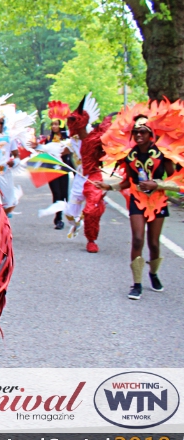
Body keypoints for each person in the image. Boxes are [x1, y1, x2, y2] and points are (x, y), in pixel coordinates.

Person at [94, 116, 178, 299]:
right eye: (136, 132)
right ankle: (137, 283)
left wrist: (157, 184)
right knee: (138, 239)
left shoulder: (163, 154)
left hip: (157, 201)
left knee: (154, 243)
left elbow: (176, 181)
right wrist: (109, 187)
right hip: (137, 200)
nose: (138, 135)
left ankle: (153, 274)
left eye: (142, 132)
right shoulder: (130, 156)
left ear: (150, 134)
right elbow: (127, 182)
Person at [61, 97, 108, 253]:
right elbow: (61, 149)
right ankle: (78, 222)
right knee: (69, 214)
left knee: (91, 210)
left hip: (94, 177)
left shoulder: (96, 139)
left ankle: (91, 240)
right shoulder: (72, 140)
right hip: (79, 178)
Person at [40, 117, 70, 230]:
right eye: (52, 124)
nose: (54, 126)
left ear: (61, 126)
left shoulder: (67, 139)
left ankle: (63, 216)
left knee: (64, 195)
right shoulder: (48, 139)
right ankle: (58, 219)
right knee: (56, 194)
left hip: (63, 169)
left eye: (56, 124)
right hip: (51, 170)